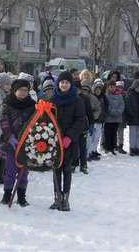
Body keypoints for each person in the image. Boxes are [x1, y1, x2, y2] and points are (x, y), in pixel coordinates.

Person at [51, 71, 85, 211]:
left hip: (70, 142)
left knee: (66, 169)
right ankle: (57, 198)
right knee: (56, 169)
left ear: (70, 84)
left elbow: (80, 120)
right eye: (62, 82)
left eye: (66, 82)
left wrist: (69, 137)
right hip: (55, 141)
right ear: (58, 84)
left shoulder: (77, 100)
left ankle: (65, 199)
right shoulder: (53, 100)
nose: (64, 85)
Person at [0, 79, 36, 207]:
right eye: (20, 90)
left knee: (23, 171)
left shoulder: (32, 105)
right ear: (14, 91)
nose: (22, 93)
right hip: (11, 143)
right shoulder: (7, 103)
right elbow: (3, 121)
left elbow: (36, 122)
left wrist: (30, 138)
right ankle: (7, 194)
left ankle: (21, 196)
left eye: (25, 90)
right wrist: (9, 136)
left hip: (26, 143)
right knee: (10, 170)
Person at [125, 79, 139, 156]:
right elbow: (127, 105)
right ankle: (132, 148)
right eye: (137, 87)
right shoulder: (130, 94)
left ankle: (137, 147)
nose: (138, 88)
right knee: (132, 134)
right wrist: (131, 114)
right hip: (132, 117)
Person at [104, 80, 125, 155]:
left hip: (117, 118)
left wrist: (118, 111)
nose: (112, 88)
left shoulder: (119, 95)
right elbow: (107, 105)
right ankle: (107, 147)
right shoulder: (106, 95)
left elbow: (122, 105)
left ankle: (112, 148)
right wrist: (112, 111)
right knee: (108, 134)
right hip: (109, 118)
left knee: (114, 134)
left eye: (114, 86)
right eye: (111, 87)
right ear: (108, 87)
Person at [89, 80, 107, 160]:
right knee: (92, 137)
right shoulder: (92, 98)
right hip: (94, 121)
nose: (98, 91)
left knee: (97, 137)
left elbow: (106, 108)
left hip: (101, 120)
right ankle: (90, 151)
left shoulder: (103, 98)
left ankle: (94, 150)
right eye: (96, 89)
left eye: (99, 89)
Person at [115, 81, 127, 154]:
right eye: (118, 87)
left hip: (122, 117)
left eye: (121, 87)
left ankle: (120, 145)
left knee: (121, 133)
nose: (119, 89)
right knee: (114, 132)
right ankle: (114, 145)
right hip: (114, 116)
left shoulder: (125, 95)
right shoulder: (113, 95)